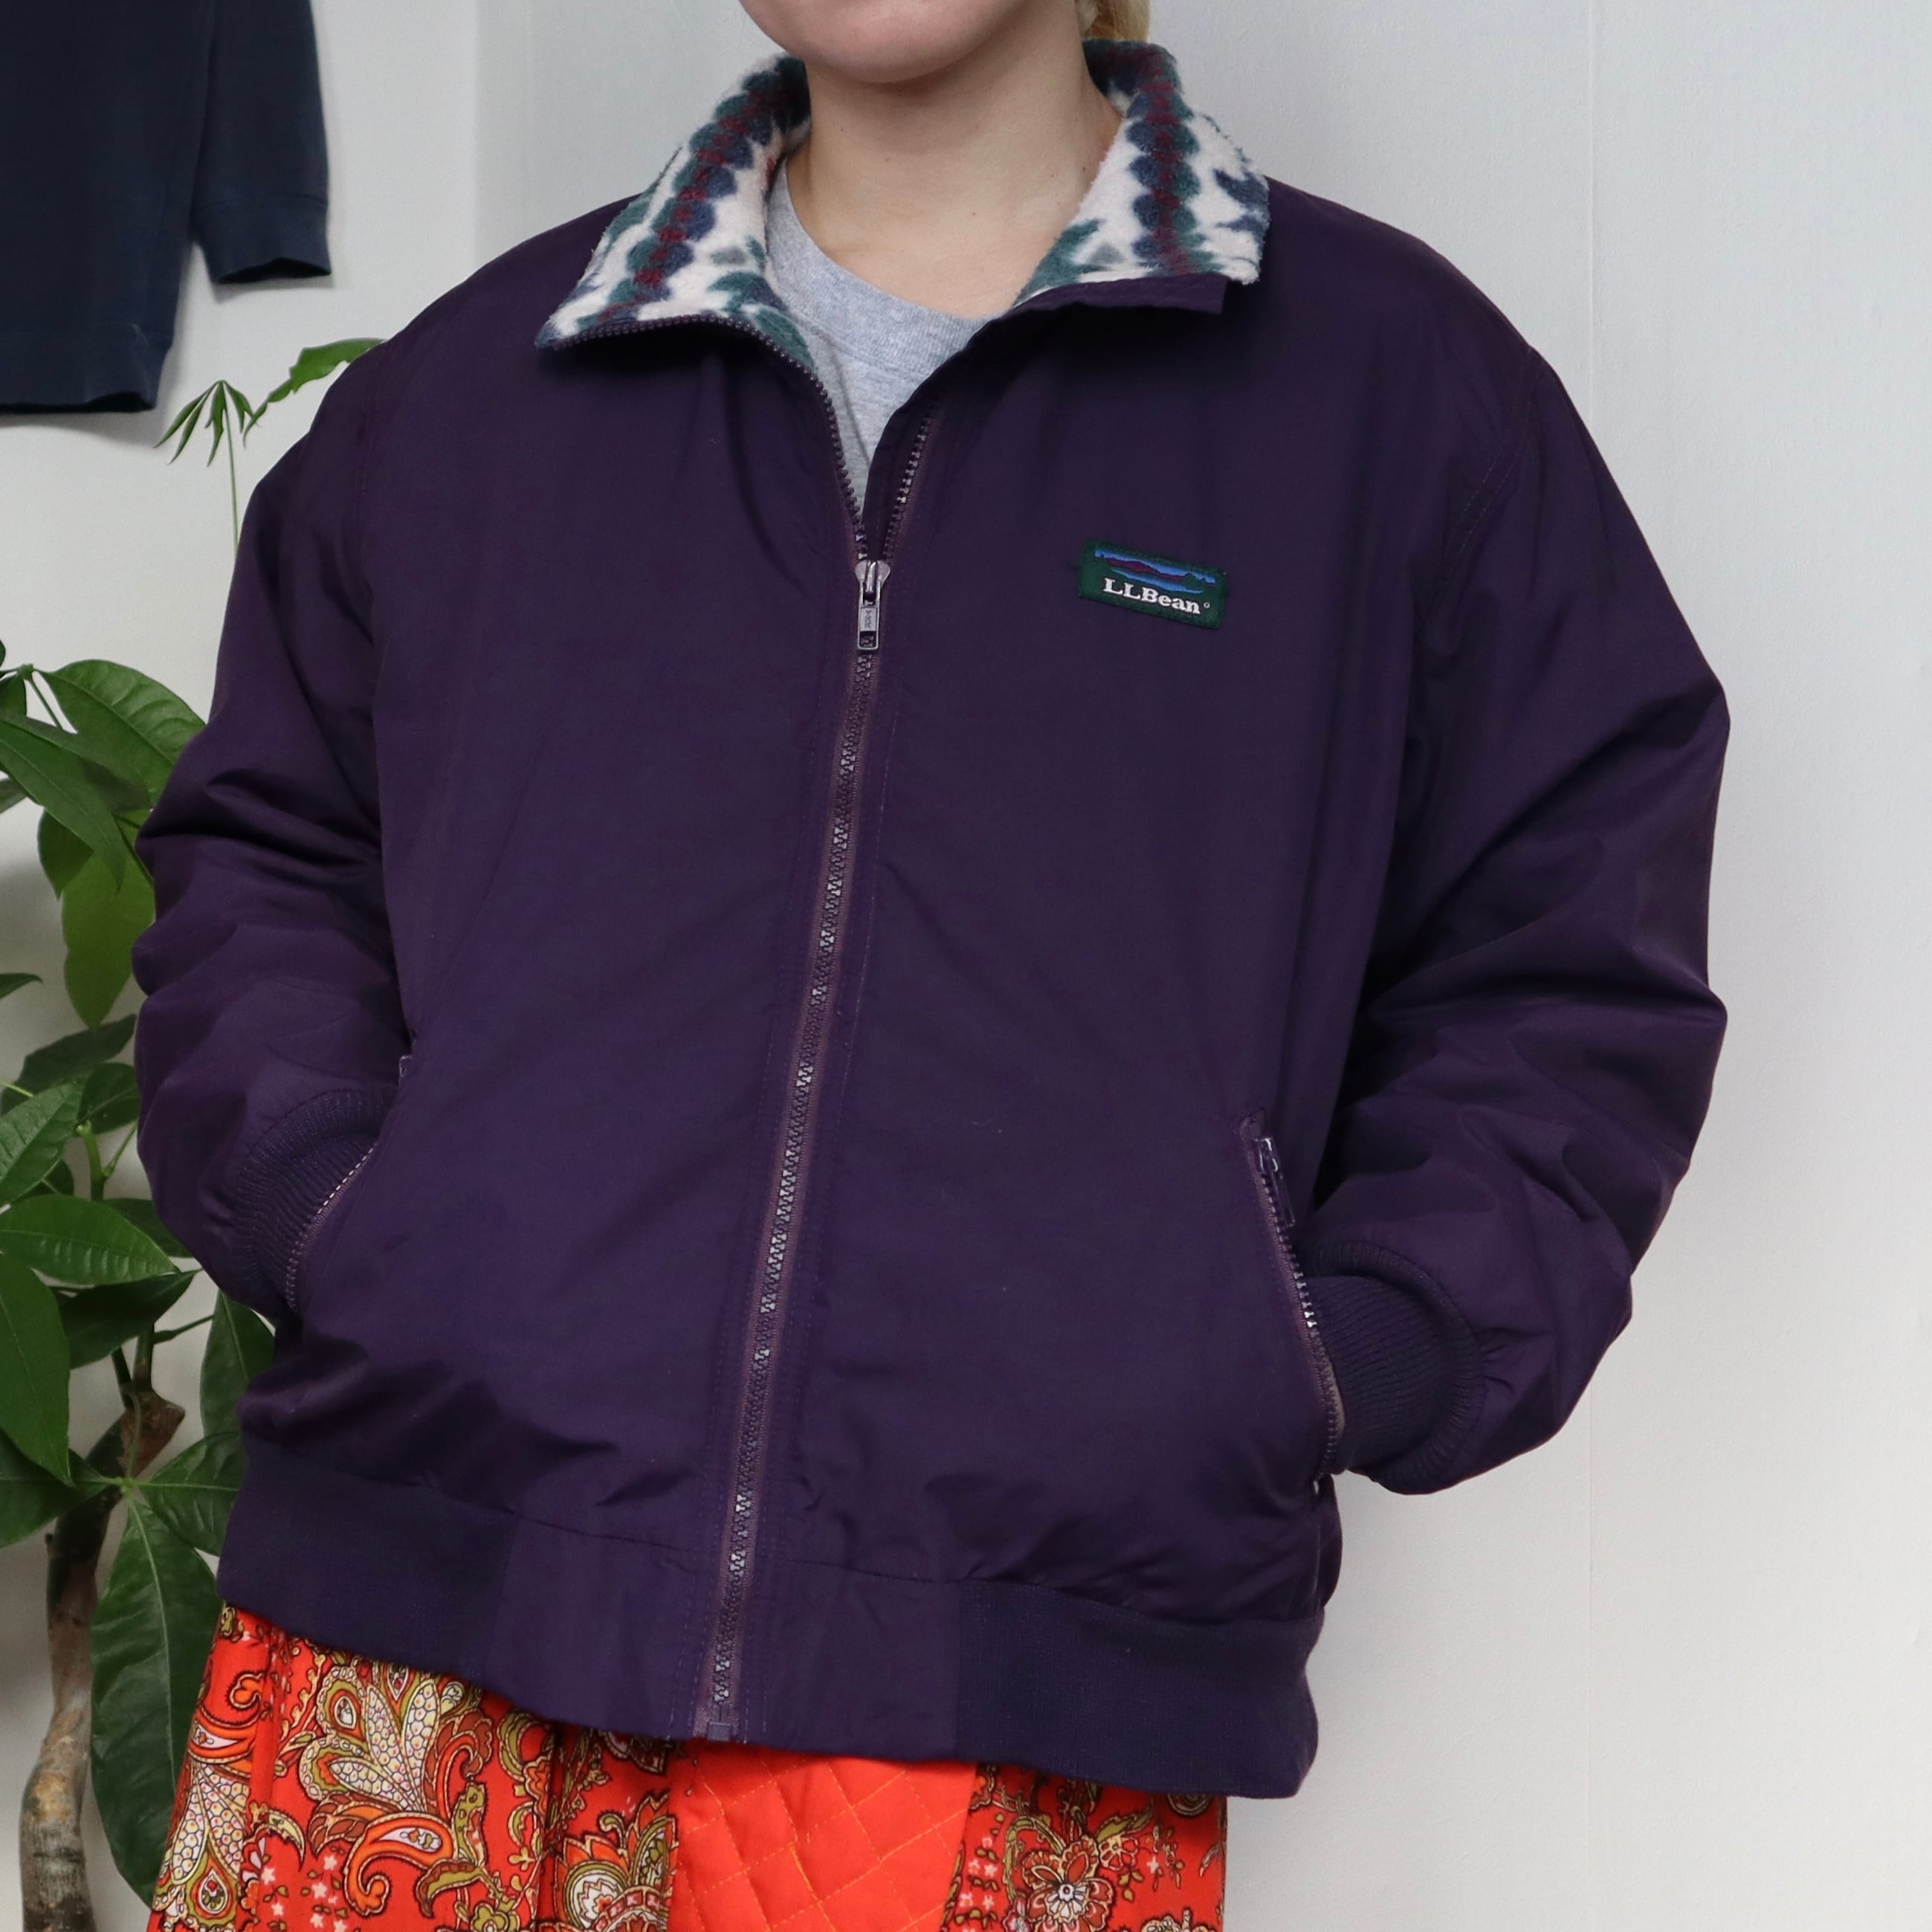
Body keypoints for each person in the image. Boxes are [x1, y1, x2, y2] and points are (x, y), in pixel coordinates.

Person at [130, 0, 1728, 1926]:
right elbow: (266, 851)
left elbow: (1568, 962)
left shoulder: (1396, 401)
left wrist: (1328, 1353)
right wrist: (337, 1212)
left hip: (1009, 1682)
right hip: (411, 1619)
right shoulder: (481, 387)